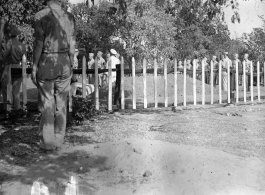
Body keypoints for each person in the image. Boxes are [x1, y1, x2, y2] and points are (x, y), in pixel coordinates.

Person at [31, 0, 76, 152]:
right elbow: (72, 43)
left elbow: (38, 43)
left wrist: (35, 66)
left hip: (47, 60)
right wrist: (70, 62)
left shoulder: (40, 16)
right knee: (62, 102)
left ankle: (47, 142)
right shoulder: (69, 17)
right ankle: (58, 140)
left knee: (47, 102)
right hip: (64, 61)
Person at [0, 25, 26, 112]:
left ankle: (7, 110)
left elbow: (3, 58)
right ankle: (16, 110)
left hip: (7, 68)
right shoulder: (22, 46)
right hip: (18, 67)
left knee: (6, 91)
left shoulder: (5, 45)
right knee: (16, 92)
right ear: (17, 35)